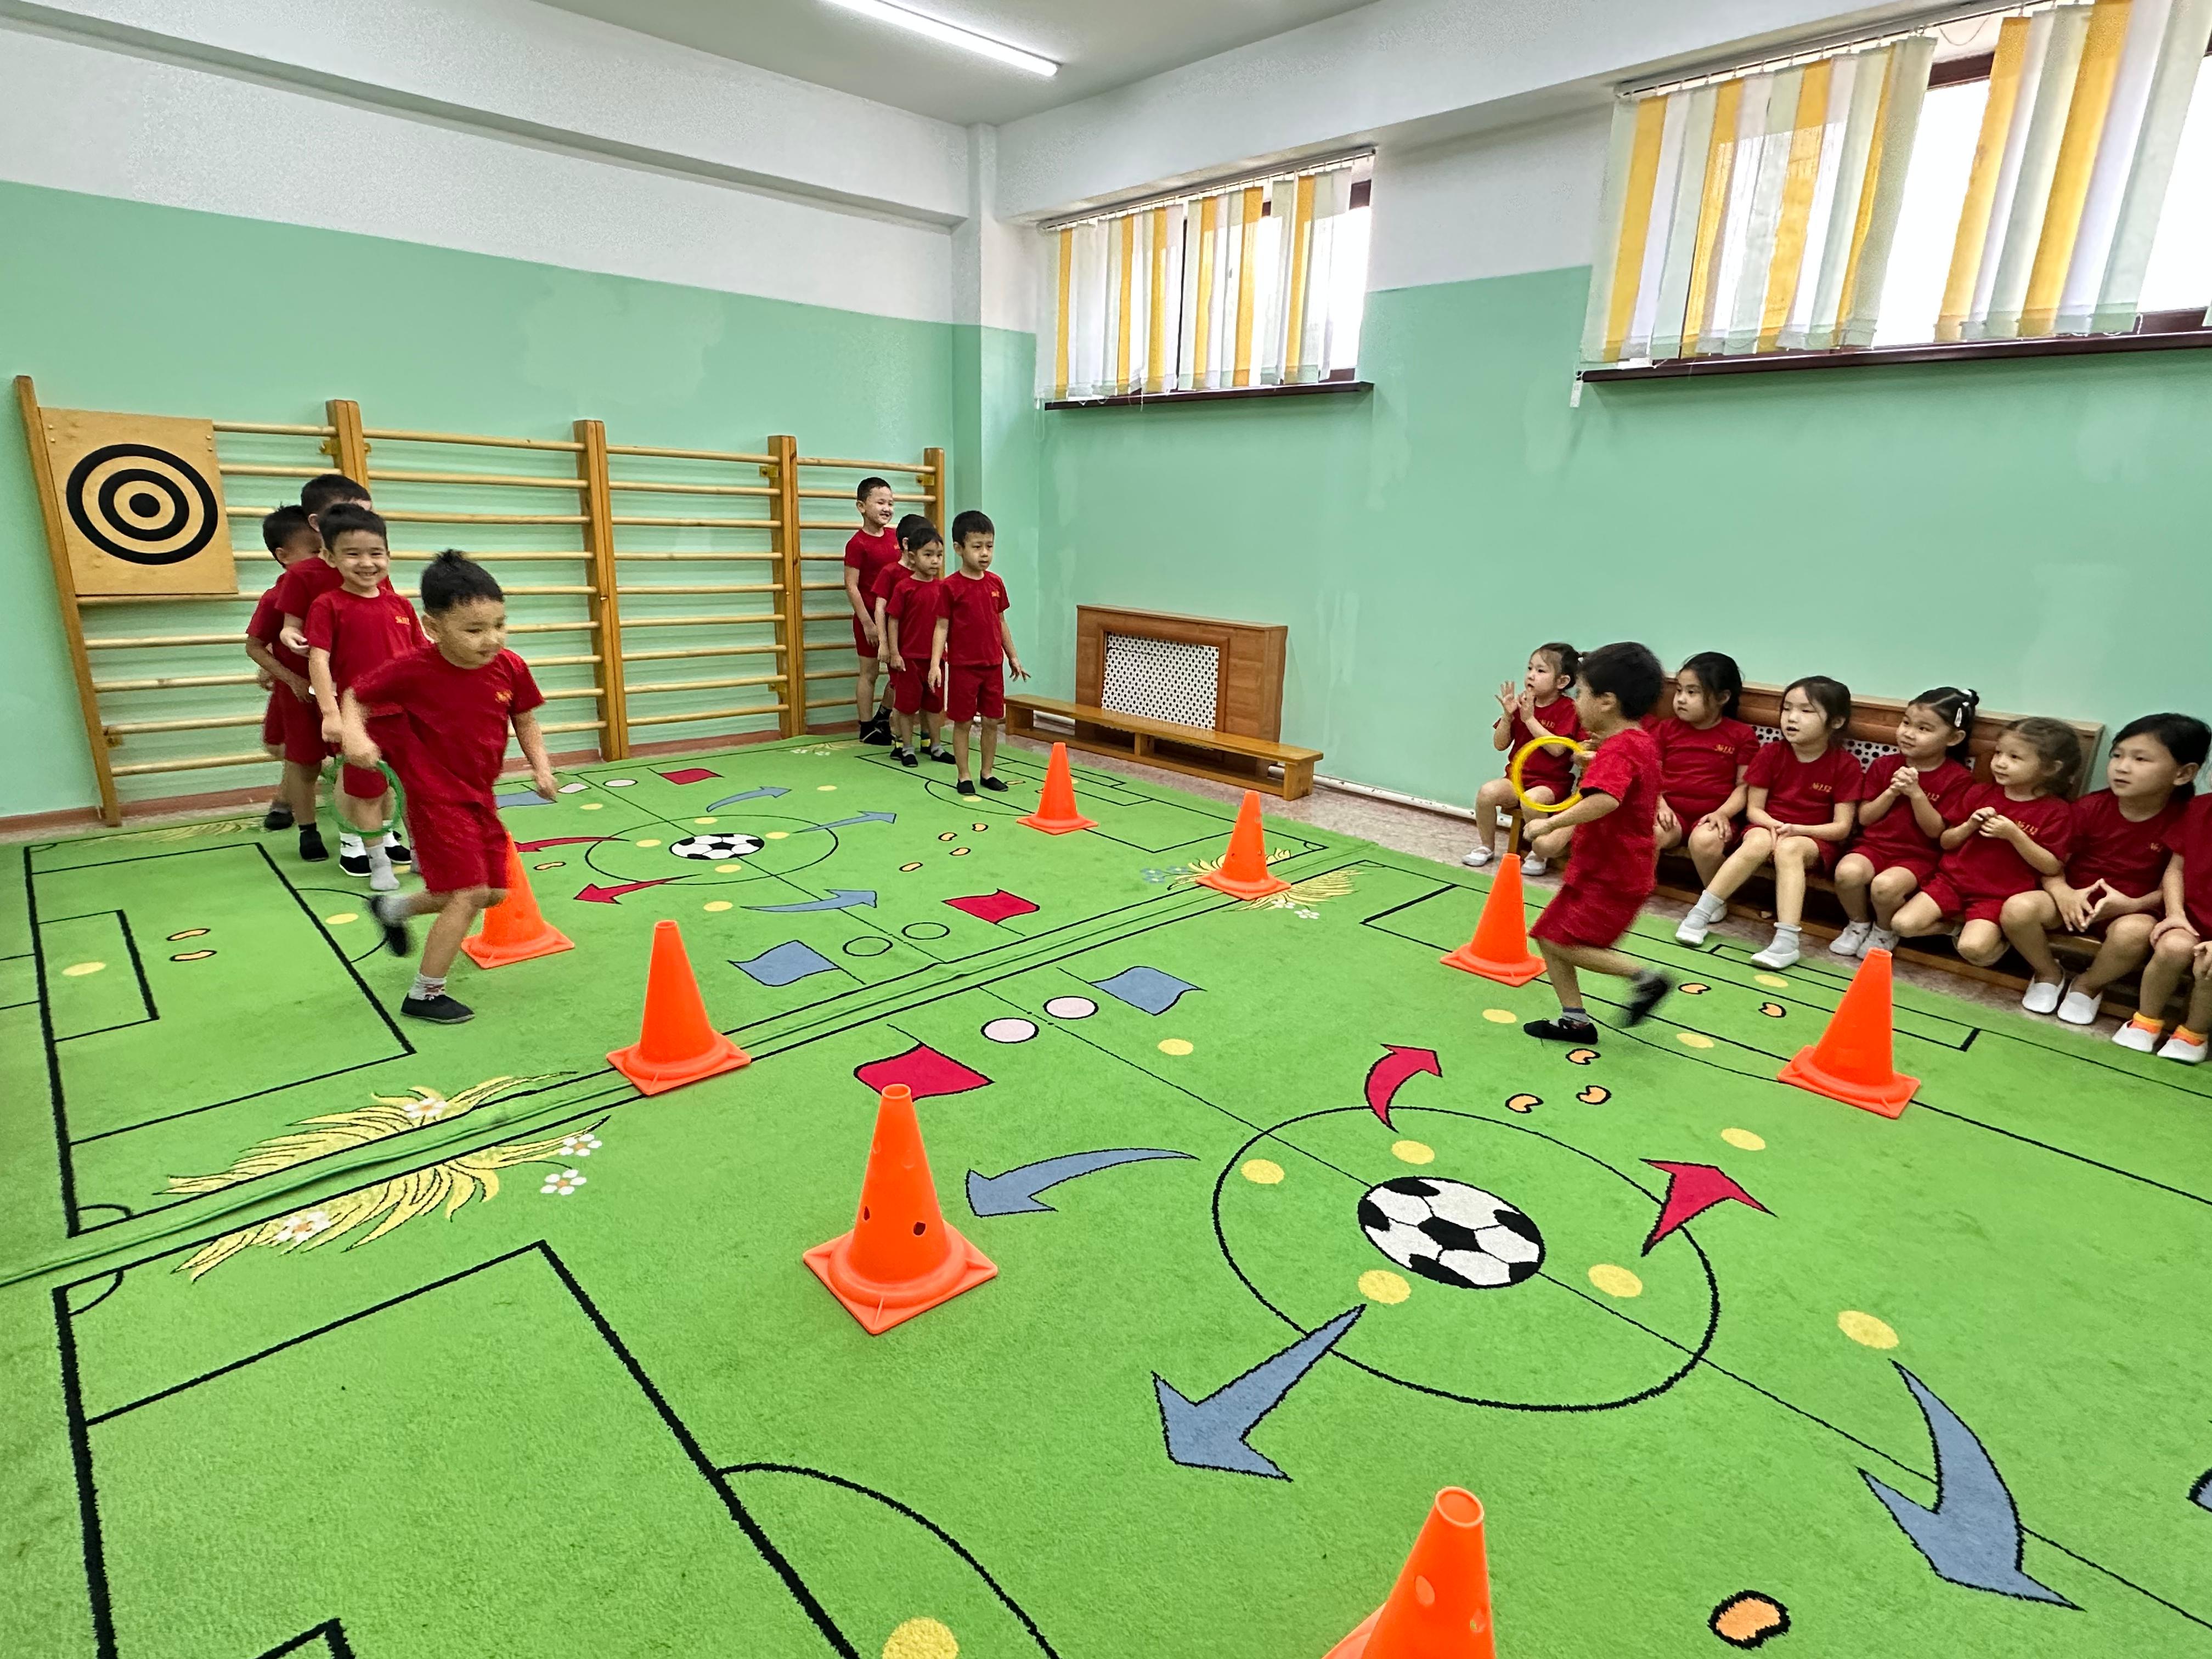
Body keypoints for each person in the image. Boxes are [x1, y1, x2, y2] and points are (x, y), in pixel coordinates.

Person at [345, 552, 554, 1025]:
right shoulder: (413, 669)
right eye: (474, 630)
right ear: (433, 628)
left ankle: (392, 908)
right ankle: (425, 993)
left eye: (500, 625)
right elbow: (356, 696)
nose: (492, 639)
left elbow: (525, 719)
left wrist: (541, 769)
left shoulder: (510, 666)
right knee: (467, 892)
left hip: (479, 794)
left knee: (492, 893)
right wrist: (355, 735)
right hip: (434, 794)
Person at [2004, 714, 2206, 1024]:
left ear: (2183, 773)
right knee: (2018, 909)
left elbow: (2175, 883)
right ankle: (2048, 973)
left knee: (2133, 933)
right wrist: (2064, 894)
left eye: (2140, 759)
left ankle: (2088, 985)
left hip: (2133, 909)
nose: (2122, 767)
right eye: (2117, 755)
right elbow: (2053, 865)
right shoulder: (2090, 807)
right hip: (2071, 901)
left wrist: (2132, 905)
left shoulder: (2186, 818)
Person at [1520, 641, 1674, 1043]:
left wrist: (1550, 825)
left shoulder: (1620, 749)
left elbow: (1606, 800)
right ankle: (1575, 1021)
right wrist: (1594, 760)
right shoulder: (1634, 741)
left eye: (1582, 693)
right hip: (1601, 868)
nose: (1576, 702)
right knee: (1548, 934)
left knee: (1563, 941)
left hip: (1613, 874)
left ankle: (1646, 978)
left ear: (1607, 701)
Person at [1675, 676, 1862, 969]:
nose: (1792, 718)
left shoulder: (1846, 764)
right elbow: (1754, 810)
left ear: (1836, 722)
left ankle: (1787, 942)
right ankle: (1700, 914)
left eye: (1806, 711)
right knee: (1758, 840)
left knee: (1790, 849)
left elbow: (1841, 828)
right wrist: (1774, 826)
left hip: (1813, 839)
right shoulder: (1771, 753)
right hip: (1768, 826)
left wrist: (1797, 831)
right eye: (1787, 709)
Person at [1883, 718, 2081, 967]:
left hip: (1999, 896)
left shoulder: (2058, 811)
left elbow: (2051, 867)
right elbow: (1946, 842)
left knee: (1974, 951)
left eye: (2014, 757)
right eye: (1998, 753)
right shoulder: (1979, 793)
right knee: (1902, 925)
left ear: (2051, 768)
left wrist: (2014, 835)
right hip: (1951, 883)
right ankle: (1955, 929)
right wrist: (1969, 826)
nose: (2000, 763)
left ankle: (2001, 940)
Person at [304, 504, 422, 890]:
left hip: (406, 718)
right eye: (353, 554)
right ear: (330, 557)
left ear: (389, 555)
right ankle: (378, 862)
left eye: (376, 553)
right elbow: (318, 660)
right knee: (367, 792)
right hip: (359, 721)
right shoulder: (328, 605)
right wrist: (330, 713)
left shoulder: (401, 606)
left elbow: (422, 660)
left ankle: (422, 853)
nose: (367, 563)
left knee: (416, 789)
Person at [1830, 688, 1980, 958]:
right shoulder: (1884, 765)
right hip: (1873, 847)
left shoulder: (1958, 778)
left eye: (1923, 729)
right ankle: (1858, 924)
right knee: (1847, 873)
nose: (1908, 733)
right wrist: (1891, 792)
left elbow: (1937, 833)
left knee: (1885, 887)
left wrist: (1916, 794)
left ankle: (1884, 930)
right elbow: (1865, 818)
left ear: (1954, 738)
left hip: (1919, 857)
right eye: (1906, 723)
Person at [928, 509, 1028, 797]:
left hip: (993, 667)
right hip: (963, 668)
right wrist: (935, 664)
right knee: (962, 723)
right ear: (959, 548)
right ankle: (964, 775)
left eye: (989, 546)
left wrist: (1013, 656)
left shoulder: (996, 583)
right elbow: (941, 627)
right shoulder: (950, 587)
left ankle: (987, 772)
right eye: (977, 547)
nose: (985, 553)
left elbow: (1001, 622)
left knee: (992, 722)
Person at [242, 505, 324, 845]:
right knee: (292, 751)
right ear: (284, 556)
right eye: (316, 552)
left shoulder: (339, 591)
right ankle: (294, 807)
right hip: (300, 693)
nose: (326, 559)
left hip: (336, 689)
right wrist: (288, 677)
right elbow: (256, 644)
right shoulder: (277, 598)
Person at [1463, 643, 1581, 877]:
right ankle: (1486, 846)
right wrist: (1508, 717)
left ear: (1562, 682)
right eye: (1530, 668)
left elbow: (1557, 749)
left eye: (1541, 670)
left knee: (1532, 800)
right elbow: (1500, 744)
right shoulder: (1523, 703)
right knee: (1487, 793)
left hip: (1551, 784)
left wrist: (1530, 720)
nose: (1531, 675)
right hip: (1516, 779)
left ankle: (1539, 853)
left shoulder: (1569, 709)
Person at [2115, 784, 2212, 1062]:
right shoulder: (2200, 808)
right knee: (2173, 947)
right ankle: (2146, 1021)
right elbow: (2175, 869)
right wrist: (2175, 914)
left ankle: (2194, 1034)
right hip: (2191, 918)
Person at [1652, 652, 1757, 888]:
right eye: (1679, 690)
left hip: (1715, 815)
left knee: (1705, 841)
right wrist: (1660, 804)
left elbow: (1744, 787)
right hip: (1671, 813)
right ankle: (1635, 892)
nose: (1681, 699)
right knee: (1651, 833)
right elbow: (1651, 774)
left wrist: (1723, 814)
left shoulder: (1741, 735)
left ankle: (1714, 897)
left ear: (1722, 697)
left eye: (1692, 692)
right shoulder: (1666, 730)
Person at [879, 515, 950, 767]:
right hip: (909, 659)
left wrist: (944, 653)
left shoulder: (943, 588)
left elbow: (945, 623)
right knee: (907, 706)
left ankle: (936, 746)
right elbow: (893, 621)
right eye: (928, 555)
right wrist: (894, 652)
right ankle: (907, 748)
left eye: (939, 555)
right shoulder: (904, 588)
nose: (935, 561)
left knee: (934, 705)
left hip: (935, 660)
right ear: (913, 556)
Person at [277, 474, 375, 654]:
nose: (360, 524)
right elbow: (290, 626)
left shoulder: (371, 567)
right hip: (330, 664)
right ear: (316, 523)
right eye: (347, 515)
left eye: (367, 515)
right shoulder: (301, 574)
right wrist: (291, 637)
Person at [843, 476, 901, 744]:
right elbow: (852, 586)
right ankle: (866, 727)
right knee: (870, 673)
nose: (887, 508)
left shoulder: (897, 538)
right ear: (861, 506)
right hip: (869, 619)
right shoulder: (857, 544)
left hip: (895, 620)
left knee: (900, 673)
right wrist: (868, 623)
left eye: (891, 503)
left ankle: (883, 716)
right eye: (880, 502)